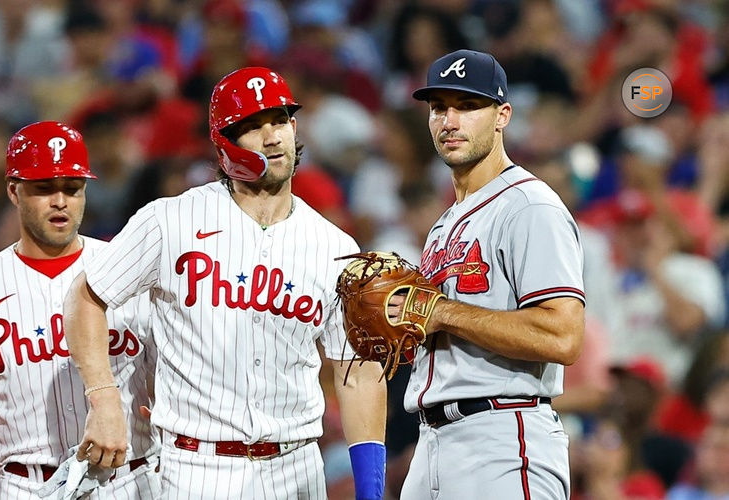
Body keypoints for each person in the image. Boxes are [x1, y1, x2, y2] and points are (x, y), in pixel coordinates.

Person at [63, 67, 388, 499]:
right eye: (251, 127)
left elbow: (356, 371)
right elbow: (86, 295)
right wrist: (103, 398)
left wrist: (371, 489)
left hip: (297, 468)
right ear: (224, 145)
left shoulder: (335, 246)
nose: (271, 136)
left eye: (278, 120)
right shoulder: (171, 220)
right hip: (198, 467)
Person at [399, 49, 586, 499]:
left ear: (502, 115)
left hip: (504, 436)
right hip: (432, 441)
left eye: (467, 106)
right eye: (439, 107)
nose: (450, 121)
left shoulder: (529, 206)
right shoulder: (444, 224)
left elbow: (562, 335)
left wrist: (441, 311)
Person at [0, 121, 160, 498]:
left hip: (127, 479)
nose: (60, 200)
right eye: (44, 188)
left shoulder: (127, 269)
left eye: (72, 189)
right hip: (28, 484)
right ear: (14, 191)